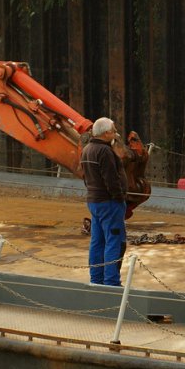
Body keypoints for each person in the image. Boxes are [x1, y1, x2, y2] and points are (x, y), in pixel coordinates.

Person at [80, 117, 128, 286]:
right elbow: (111, 179)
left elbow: (85, 177)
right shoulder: (105, 151)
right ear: (106, 133)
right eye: (114, 130)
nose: (115, 133)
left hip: (93, 201)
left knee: (97, 241)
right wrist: (120, 198)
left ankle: (96, 279)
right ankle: (111, 282)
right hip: (109, 203)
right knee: (114, 241)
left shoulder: (87, 149)